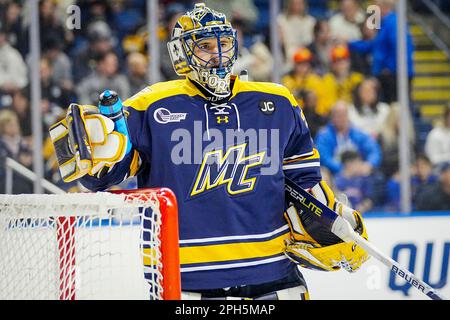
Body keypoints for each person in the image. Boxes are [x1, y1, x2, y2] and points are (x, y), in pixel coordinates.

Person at [50, 3, 369, 300]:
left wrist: (331, 218)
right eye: (204, 46)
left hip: (274, 275)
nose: (217, 54)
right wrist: (98, 159)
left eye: (224, 44)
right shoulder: (149, 107)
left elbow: (304, 181)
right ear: (181, 53)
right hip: (188, 283)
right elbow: (101, 182)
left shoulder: (278, 102)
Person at [348, 0, 415, 103]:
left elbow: (399, 48)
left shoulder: (393, 23)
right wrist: (350, 44)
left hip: (396, 75)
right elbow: (374, 44)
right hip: (391, 74)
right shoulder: (384, 23)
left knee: (396, 107)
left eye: (375, 6)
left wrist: (390, 68)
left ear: (383, 7)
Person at [315, 100, 382, 175]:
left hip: (359, 172)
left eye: (343, 115)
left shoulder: (358, 133)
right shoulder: (324, 135)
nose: (341, 118)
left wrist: (369, 165)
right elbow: (324, 158)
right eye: (337, 115)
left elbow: (373, 150)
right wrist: (343, 169)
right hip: (334, 174)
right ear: (332, 117)